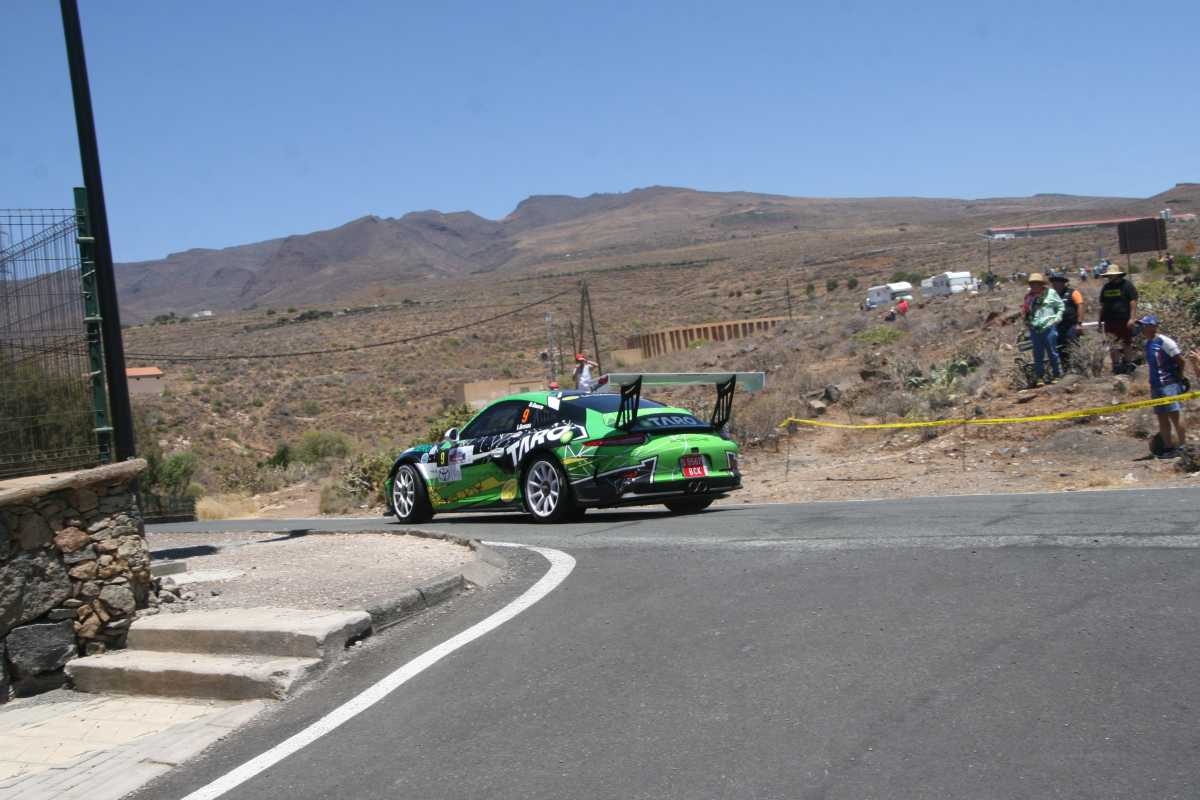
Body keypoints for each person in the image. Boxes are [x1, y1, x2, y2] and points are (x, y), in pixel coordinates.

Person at [1138, 315, 1187, 457]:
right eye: (1141, 325)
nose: (1142, 328)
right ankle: (1168, 448)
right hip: (1156, 385)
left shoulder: (1165, 341)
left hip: (1169, 384)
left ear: (1153, 326)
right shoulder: (1148, 343)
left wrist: (1179, 377)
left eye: (1145, 325)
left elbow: (1181, 361)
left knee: (1175, 415)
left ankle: (1182, 447)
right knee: (1161, 417)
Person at [1023, 273, 1064, 384]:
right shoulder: (1028, 297)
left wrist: (1058, 317)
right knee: (1037, 354)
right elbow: (1026, 312)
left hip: (1049, 326)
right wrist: (1027, 323)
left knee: (1052, 352)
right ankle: (1040, 377)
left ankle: (1057, 375)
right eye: (1032, 284)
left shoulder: (1050, 293)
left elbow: (1060, 306)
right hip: (1035, 329)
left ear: (1041, 284)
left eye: (1036, 283)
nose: (1034, 286)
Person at [1098, 265, 1138, 374]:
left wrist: (1132, 318)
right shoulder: (1106, 287)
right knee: (1112, 343)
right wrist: (1099, 321)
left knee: (1127, 342)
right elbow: (1102, 305)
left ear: (1117, 275)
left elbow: (1133, 301)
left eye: (1112, 275)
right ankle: (1116, 365)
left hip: (1124, 319)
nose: (1110, 277)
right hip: (1109, 320)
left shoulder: (1127, 285)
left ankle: (1128, 364)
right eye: (1109, 275)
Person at [1050, 271, 1084, 371]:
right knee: (1060, 348)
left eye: (1058, 281)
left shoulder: (1073, 292)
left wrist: (1079, 323)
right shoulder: (1051, 295)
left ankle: (1079, 368)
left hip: (1072, 325)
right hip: (1058, 327)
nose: (1055, 284)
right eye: (1054, 281)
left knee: (1073, 345)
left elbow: (1080, 305)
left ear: (1063, 282)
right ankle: (1066, 370)